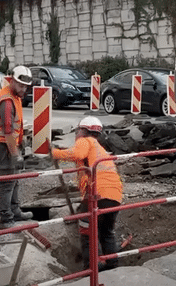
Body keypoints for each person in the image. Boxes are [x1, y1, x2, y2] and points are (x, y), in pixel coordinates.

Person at [51, 116, 123, 271]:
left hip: (96, 196)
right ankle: (113, 266)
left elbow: (77, 155)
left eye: (77, 131)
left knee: (87, 234)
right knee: (106, 232)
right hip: (114, 197)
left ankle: (90, 270)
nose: (76, 134)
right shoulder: (100, 149)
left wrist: (55, 153)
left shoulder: (85, 141)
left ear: (83, 130)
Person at [0, 65, 34, 230]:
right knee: (6, 182)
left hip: (9, 144)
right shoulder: (7, 102)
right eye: (21, 85)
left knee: (14, 180)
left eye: (26, 86)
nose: (23, 89)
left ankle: (14, 211)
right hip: (2, 146)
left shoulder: (15, 96)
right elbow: (8, 132)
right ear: (12, 81)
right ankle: (6, 219)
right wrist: (16, 155)